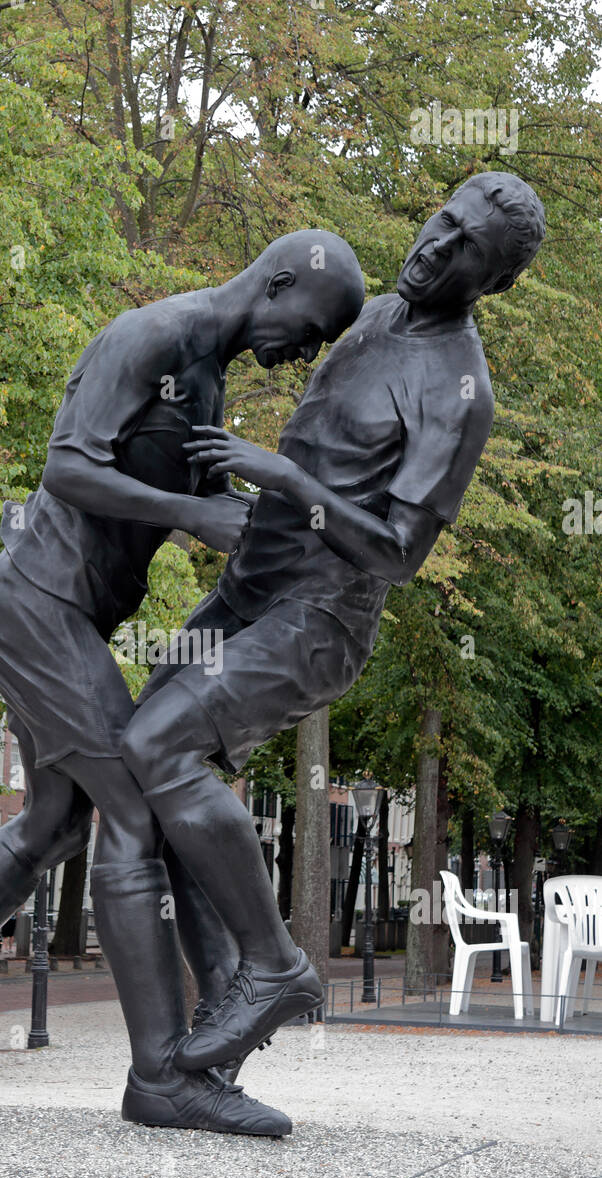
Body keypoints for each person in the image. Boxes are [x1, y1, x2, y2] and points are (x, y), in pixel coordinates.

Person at [0, 231, 366, 1135]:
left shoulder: (204, 374)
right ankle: (162, 1078)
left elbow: (201, 505)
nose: (306, 351)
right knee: (138, 803)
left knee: (54, 821)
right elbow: (65, 466)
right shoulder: (155, 333)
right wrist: (192, 512)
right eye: (313, 327)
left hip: (63, 619)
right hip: (35, 603)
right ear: (279, 282)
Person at [121, 173, 546, 1073]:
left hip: (319, 618)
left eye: (465, 245)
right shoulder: (380, 312)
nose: (436, 244)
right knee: (141, 774)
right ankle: (219, 1041)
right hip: (249, 589)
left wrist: (284, 480)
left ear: (495, 283)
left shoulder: (462, 392)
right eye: (443, 218)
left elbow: (397, 552)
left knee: (158, 744)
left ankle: (277, 967)